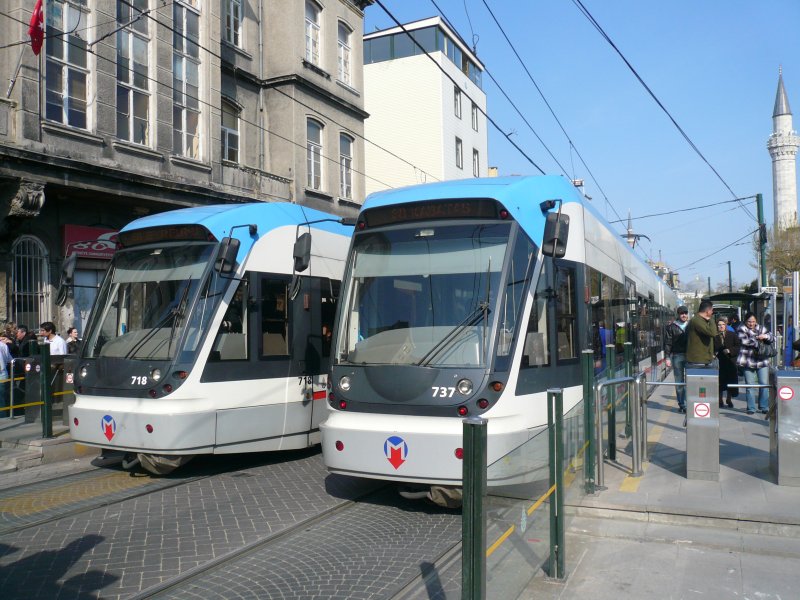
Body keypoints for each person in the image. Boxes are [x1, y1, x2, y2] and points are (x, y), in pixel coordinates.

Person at [736, 312, 775, 415]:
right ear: (745, 321)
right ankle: (751, 408)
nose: (751, 323)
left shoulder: (762, 328)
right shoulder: (741, 329)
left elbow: (773, 338)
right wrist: (758, 338)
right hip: (747, 361)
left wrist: (765, 336)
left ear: (756, 321)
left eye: (753, 321)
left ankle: (764, 406)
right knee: (750, 385)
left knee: (764, 384)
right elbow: (745, 341)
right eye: (749, 321)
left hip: (762, 361)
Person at [664, 306, 690, 413]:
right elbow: (668, 343)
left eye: (685, 313)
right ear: (678, 315)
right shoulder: (671, 327)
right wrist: (667, 357)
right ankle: (682, 404)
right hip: (677, 356)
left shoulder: (691, 325)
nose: (684, 315)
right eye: (681, 313)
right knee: (679, 381)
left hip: (690, 356)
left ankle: (689, 402)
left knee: (690, 380)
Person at [714, 316, 740, 408]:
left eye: (723, 325)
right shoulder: (714, 336)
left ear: (726, 325)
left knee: (731, 382)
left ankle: (729, 399)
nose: (721, 326)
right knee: (720, 383)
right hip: (719, 363)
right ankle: (720, 400)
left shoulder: (732, 335)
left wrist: (730, 350)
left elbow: (738, 346)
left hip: (730, 362)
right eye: (719, 325)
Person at [686, 299, 718, 366]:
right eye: (712, 310)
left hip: (703, 359)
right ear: (707, 311)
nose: (712, 312)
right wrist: (711, 320)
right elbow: (712, 332)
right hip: (699, 360)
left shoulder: (701, 320)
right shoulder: (697, 320)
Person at [0, 337, 10, 418]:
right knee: (2, 399)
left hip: (1, 374)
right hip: (4, 375)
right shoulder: (3, 345)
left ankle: (2, 417)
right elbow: (9, 359)